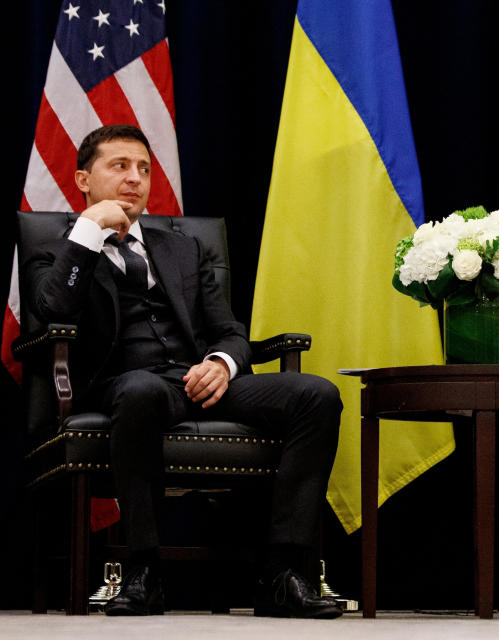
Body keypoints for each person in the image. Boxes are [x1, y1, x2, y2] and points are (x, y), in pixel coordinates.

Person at [25, 124, 344, 618]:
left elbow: (230, 330)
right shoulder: (61, 249)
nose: (136, 179)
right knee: (141, 391)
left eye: (145, 169)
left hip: (195, 381)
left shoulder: (181, 249)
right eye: (120, 166)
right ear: (83, 180)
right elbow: (52, 310)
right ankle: (144, 571)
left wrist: (221, 363)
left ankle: (283, 572)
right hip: (123, 385)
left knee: (316, 395)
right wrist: (89, 230)